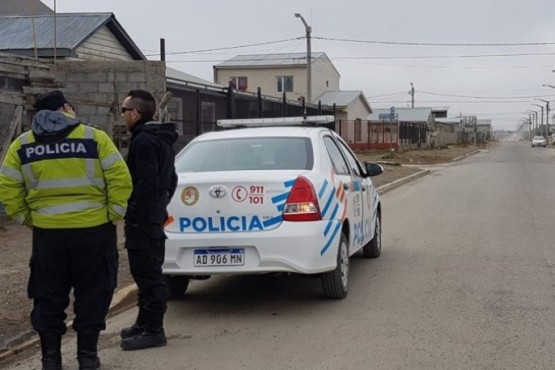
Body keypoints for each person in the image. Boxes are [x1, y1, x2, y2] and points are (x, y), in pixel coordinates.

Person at [0, 90, 132, 370]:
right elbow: (120, 178)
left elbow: (8, 188)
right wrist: (114, 214)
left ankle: (51, 361)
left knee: (48, 295)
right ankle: (87, 358)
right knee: (93, 292)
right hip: (94, 231)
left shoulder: (22, 145)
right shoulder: (94, 137)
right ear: (66, 109)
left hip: (48, 235)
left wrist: (28, 219)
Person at [119, 89, 178, 350]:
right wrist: (161, 204)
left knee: (149, 273)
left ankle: (154, 329)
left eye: (124, 110)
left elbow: (147, 181)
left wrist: (135, 211)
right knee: (144, 272)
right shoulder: (161, 138)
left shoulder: (144, 140)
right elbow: (171, 179)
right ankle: (143, 323)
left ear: (135, 113)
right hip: (154, 215)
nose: (122, 115)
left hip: (144, 219)